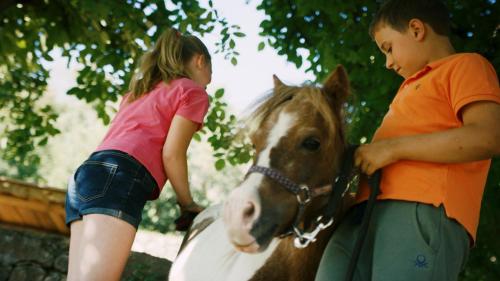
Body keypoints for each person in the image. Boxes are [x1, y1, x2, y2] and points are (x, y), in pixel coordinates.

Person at [315, 0, 500, 280]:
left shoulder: (466, 65)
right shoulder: (407, 89)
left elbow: (489, 136)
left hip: (422, 209)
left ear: (416, 29)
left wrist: (392, 148)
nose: (388, 63)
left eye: (388, 48)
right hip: (361, 216)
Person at [65, 27, 212, 281]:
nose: (208, 80)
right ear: (200, 60)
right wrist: (187, 203)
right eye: (211, 72)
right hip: (121, 176)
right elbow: (172, 154)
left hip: (87, 175)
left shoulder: (139, 91)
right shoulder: (192, 92)